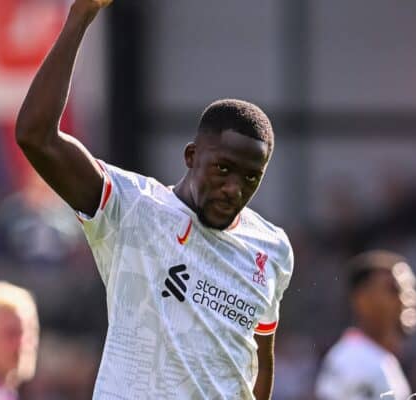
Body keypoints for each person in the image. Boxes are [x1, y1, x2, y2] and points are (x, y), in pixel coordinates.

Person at [15, 0, 293, 398]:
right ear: (192, 157)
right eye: (223, 169)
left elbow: (258, 362)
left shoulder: (273, 249)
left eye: (252, 177)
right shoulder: (132, 208)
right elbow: (36, 136)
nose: (235, 188)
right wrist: (81, 17)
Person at [315, 250, 416, 400]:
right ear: (362, 300)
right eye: (394, 289)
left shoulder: (380, 358)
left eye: (410, 291)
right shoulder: (354, 362)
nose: (407, 300)